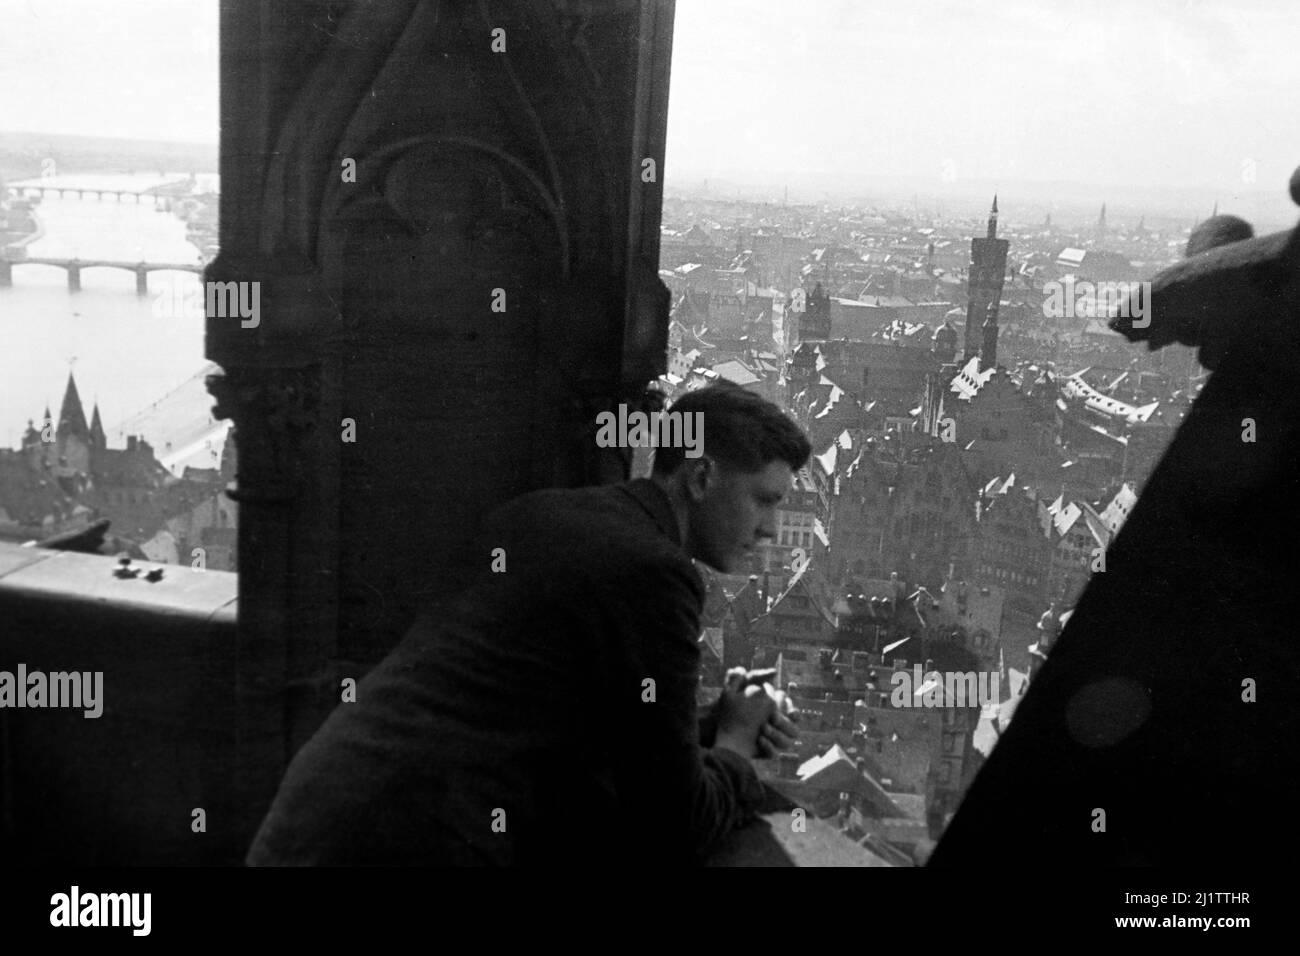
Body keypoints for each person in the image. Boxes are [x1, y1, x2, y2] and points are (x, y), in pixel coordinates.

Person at [247, 382, 811, 866]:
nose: (770, 529)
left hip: (320, 812)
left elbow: (541, 716)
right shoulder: (655, 572)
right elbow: (673, 823)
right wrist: (736, 746)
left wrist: (707, 727)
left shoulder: (542, 513)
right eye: (765, 500)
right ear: (702, 476)